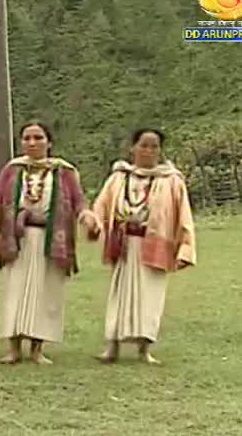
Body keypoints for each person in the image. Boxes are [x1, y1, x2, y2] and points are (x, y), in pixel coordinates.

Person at [0, 121, 98, 364]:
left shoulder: (64, 171)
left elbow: (79, 202)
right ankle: (13, 349)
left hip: (51, 240)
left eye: (38, 138)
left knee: (46, 291)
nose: (32, 143)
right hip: (17, 240)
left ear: (49, 142)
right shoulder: (13, 169)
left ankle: (37, 349)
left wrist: (87, 217)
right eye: (27, 138)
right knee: (14, 290)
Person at [90, 128, 196, 364]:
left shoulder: (172, 181)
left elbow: (183, 217)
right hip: (125, 245)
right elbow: (101, 206)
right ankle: (112, 347)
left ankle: (144, 349)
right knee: (119, 294)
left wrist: (185, 250)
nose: (148, 151)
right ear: (132, 148)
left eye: (154, 146)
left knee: (151, 296)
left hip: (155, 244)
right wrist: (93, 223)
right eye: (143, 145)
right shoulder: (119, 177)